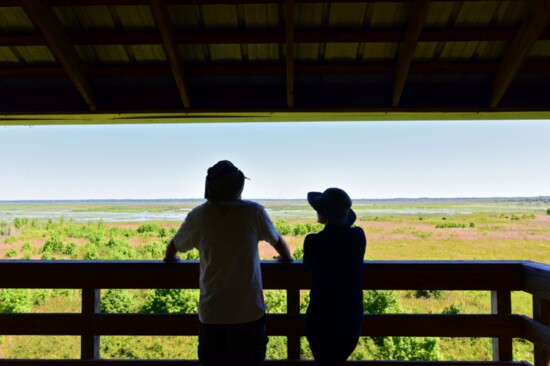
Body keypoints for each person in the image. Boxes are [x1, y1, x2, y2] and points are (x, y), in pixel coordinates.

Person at [164, 160, 293, 366]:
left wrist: (171, 259)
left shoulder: (199, 214)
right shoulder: (253, 212)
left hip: (212, 313)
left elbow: (174, 247)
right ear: (238, 186)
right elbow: (279, 243)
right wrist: (286, 258)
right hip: (248, 312)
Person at [303, 187, 367, 366]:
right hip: (350, 318)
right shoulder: (358, 236)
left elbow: (308, 268)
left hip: (320, 317)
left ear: (323, 214)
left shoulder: (313, 242)